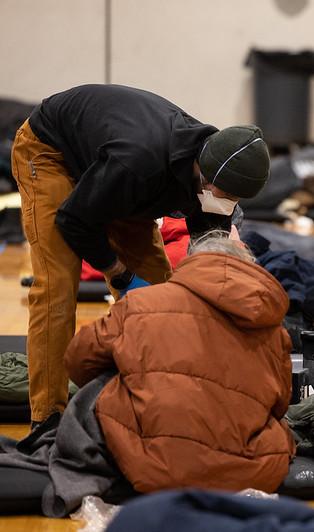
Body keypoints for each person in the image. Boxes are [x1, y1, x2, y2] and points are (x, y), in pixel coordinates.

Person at [10, 84, 271, 429]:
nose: (230, 204)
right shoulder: (138, 163)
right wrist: (120, 274)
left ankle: (155, 395)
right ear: (205, 176)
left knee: (164, 297)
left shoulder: (215, 173)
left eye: (238, 199)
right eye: (228, 195)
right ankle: (47, 419)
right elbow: (73, 220)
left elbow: (209, 251)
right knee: (57, 289)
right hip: (49, 150)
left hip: (114, 175)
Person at [63, 230, 296, 494]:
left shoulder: (141, 303)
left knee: (104, 387)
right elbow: (281, 403)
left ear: (192, 263)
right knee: (278, 425)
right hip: (250, 474)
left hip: (151, 467)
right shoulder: (273, 328)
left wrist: (133, 375)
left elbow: (76, 360)